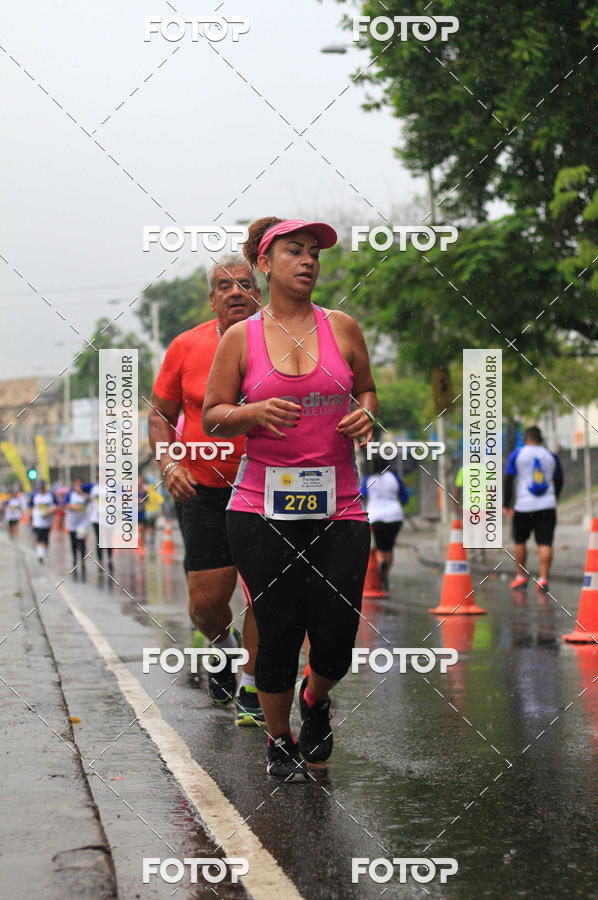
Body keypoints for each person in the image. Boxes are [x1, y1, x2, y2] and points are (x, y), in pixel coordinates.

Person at [203, 217, 376, 781]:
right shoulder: (240, 338)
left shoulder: (344, 327)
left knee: (337, 636)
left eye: (314, 254)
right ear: (265, 264)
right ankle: (279, 739)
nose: (307, 261)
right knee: (276, 630)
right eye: (294, 252)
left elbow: (366, 387)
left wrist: (367, 412)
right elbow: (212, 417)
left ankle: (315, 697)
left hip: (340, 504)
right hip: (260, 508)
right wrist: (250, 414)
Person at [148, 254, 263, 726]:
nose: (236, 291)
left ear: (260, 291)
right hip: (204, 490)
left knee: (265, 594)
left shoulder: (283, 340)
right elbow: (158, 415)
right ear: (212, 297)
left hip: (266, 485)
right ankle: (222, 643)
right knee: (207, 603)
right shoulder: (185, 346)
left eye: (245, 283)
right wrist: (169, 460)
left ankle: (254, 687)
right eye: (224, 285)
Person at [503, 426, 564, 592]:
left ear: (525, 438)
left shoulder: (518, 454)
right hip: (547, 505)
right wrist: (554, 498)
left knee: (520, 541)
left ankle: (521, 577)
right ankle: (543, 579)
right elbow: (559, 480)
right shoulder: (551, 456)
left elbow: (508, 479)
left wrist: (506, 504)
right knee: (545, 542)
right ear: (541, 439)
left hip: (523, 505)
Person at [360, 456, 408, 590]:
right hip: (395, 515)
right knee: (389, 546)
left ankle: (381, 564)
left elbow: (362, 496)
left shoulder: (368, 479)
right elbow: (404, 498)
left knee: (380, 546)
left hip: (375, 516)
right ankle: (386, 572)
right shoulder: (394, 478)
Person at [64, 477, 89, 575]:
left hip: (82, 522)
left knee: (82, 541)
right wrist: (72, 507)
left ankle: (82, 560)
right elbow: (65, 504)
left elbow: (90, 503)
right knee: (73, 542)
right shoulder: (70, 494)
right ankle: (74, 559)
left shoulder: (86, 495)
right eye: (76, 485)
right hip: (72, 522)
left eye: (80, 485)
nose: (78, 487)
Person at [29, 481, 58, 563]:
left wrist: (50, 511)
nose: (41, 489)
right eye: (40, 488)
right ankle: (40, 555)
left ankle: (44, 552)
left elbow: (56, 506)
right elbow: (30, 507)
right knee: (39, 537)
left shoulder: (50, 495)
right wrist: (30, 518)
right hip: (37, 521)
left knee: (45, 538)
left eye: (43, 488)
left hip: (47, 522)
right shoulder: (34, 495)